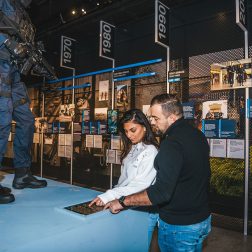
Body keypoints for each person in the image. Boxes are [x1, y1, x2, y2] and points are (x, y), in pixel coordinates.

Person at [105, 94, 211, 252]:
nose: (152, 122)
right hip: (202, 220)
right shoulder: (197, 135)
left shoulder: (171, 143)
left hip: (179, 226)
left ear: (172, 117)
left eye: (156, 118)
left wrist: (122, 202)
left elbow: (161, 192)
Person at [0, 0, 47, 204]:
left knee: (27, 121)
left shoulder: (25, 13)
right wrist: (7, 42)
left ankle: (22, 174)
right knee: (2, 122)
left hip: (15, 75)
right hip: (1, 68)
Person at [89, 108, 159, 246]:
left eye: (133, 130)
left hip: (143, 209)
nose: (129, 135)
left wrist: (109, 195)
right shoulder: (132, 148)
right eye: (126, 131)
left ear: (144, 127)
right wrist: (115, 197)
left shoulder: (151, 151)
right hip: (126, 203)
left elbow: (141, 185)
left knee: (138, 246)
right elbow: (124, 181)